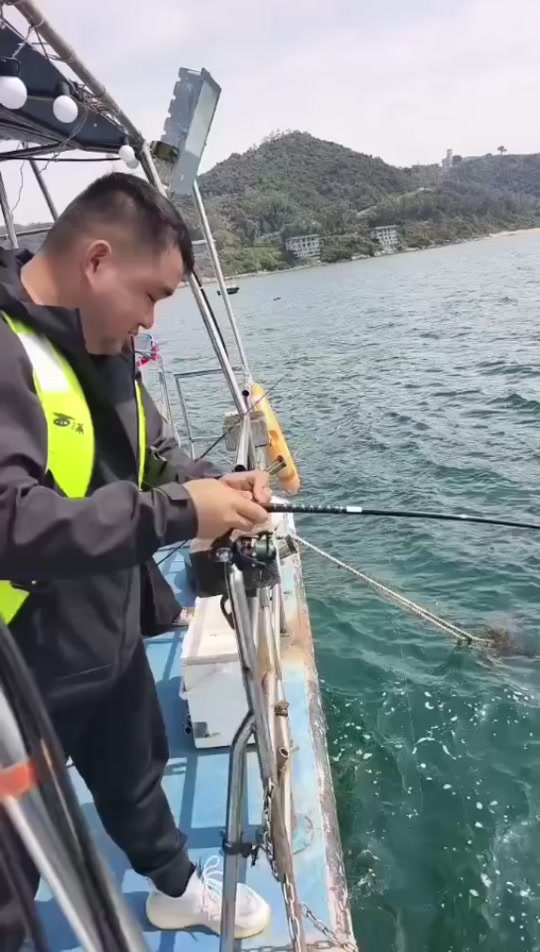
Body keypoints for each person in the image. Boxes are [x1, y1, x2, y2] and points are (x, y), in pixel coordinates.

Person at [0, 173, 272, 949]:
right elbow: (9, 517)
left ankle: (176, 888)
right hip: (19, 671)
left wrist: (210, 486)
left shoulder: (106, 342)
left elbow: (149, 451)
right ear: (95, 261)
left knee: (136, 772)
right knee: (13, 873)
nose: (152, 321)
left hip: (108, 637)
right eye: (150, 297)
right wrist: (184, 514)